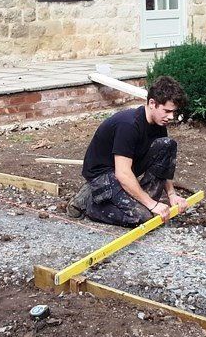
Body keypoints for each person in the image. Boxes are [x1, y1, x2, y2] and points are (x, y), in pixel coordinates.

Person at [67, 75, 188, 227]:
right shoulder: (129, 124)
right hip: (103, 173)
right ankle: (89, 204)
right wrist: (152, 204)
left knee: (167, 144)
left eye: (173, 112)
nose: (171, 117)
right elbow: (122, 173)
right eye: (167, 111)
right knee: (142, 217)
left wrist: (172, 195)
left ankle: (137, 199)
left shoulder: (159, 124)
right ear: (152, 103)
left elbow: (163, 161)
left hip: (125, 167)